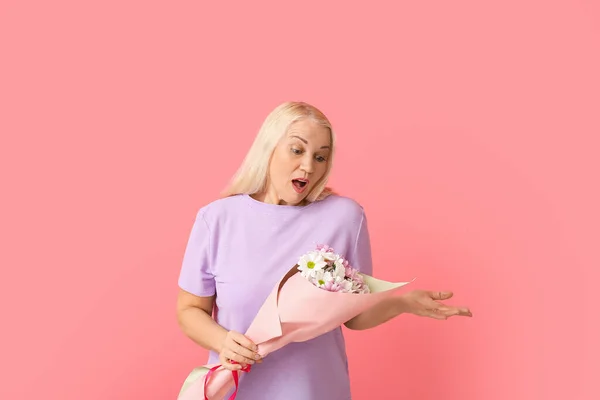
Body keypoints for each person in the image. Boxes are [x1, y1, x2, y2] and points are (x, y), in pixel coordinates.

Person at [176, 101, 472, 399]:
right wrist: (223, 341)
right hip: (236, 392)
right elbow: (189, 310)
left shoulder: (345, 218)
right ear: (268, 147)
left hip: (315, 390)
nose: (308, 166)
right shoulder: (216, 220)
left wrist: (403, 302)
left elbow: (355, 316)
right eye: (297, 150)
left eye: (320, 157)